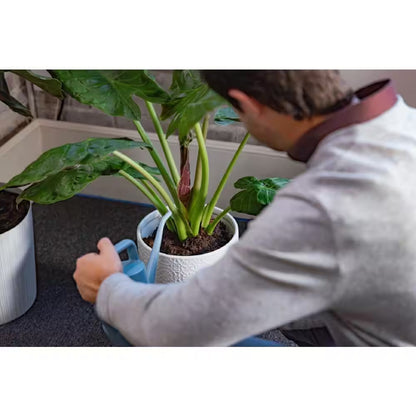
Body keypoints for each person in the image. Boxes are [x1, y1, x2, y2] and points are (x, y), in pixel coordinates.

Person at [73, 70, 416, 346]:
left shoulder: (325, 208)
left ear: (244, 103)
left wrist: (108, 286)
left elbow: (175, 330)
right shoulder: (404, 122)